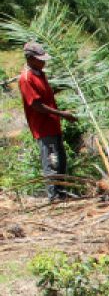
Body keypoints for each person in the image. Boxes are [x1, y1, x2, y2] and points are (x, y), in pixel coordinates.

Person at [18, 41, 78, 201]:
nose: (43, 62)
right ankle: (54, 197)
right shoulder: (26, 78)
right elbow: (37, 105)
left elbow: (46, 94)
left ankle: (61, 193)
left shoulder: (39, 73)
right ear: (30, 58)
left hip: (53, 124)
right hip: (43, 128)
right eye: (40, 59)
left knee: (61, 161)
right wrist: (63, 114)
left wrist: (65, 85)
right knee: (52, 162)